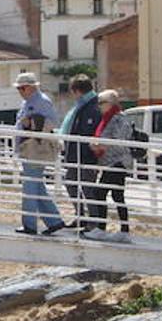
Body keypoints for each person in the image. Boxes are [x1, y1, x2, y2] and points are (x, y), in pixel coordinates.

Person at [13, 72, 65, 236]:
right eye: (19, 88)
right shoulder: (28, 102)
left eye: (22, 88)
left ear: (32, 87)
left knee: (30, 186)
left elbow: (52, 123)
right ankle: (54, 221)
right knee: (37, 186)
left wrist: (32, 122)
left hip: (36, 149)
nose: (20, 91)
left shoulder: (42, 101)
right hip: (29, 148)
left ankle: (29, 225)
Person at [86, 90, 133, 241]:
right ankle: (122, 230)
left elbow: (120, 140)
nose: (99, 106)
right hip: (109, 162)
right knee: (117, 195)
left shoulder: (119, 118)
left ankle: (103, 228)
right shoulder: (107, 118)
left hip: (117, 163)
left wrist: (101, 146)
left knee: (101, 193)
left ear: (111, 103)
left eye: (102, 103)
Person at [60, 75, 101, 230]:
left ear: (77, 91)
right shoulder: (84, 106)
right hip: (75, 154)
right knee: (71, 181)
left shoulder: (92, 107)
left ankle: (93, 222)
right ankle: (81, 216)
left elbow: (87, 130)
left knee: (87, 187)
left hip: (86, 156)